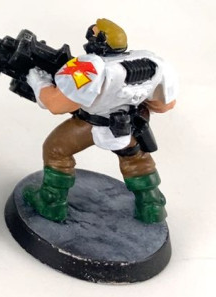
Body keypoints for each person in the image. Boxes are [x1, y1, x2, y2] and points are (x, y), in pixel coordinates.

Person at [23, 19, 177, 223]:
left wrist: (38, 82)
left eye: (92, 35)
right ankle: (152, 206)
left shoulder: (88, 67)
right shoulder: (151, 61)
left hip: (92, 124)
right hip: (128, 125)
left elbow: (55, 105)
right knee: (136, 158)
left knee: (56, 149)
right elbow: (164, 105)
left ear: (98, 41)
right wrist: (131, 98)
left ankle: (51, 203)